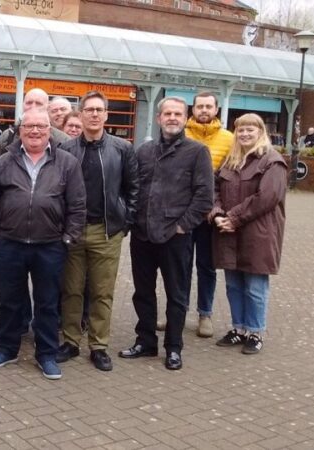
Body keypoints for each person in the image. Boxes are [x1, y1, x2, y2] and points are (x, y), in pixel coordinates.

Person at [0, 108, 86, 380]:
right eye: (29, 126)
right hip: (10, 243)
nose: (35, 131)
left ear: (50, 130)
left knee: (47, 303)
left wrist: (67, 239)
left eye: (41, 126)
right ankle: (7, 348)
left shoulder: (67, 162)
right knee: (10, 301)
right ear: (20, 130)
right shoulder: (5, 161)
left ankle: (46, 354)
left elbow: (77, 206)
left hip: (50, 245)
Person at [119, 97, 213, 371]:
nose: (172, 118)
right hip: (143, 235)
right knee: (143, 292)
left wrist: (183, 226)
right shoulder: (144, 151)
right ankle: (146, 341)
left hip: (176, 237)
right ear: (159, 118)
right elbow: (132, 189)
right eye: (167, 113)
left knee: (177, 295)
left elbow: (204, 197)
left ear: (186, 118)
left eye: (178, 114)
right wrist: (133, 221)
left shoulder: (197, 152)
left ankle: (173, 347)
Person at [58, 91, 139, 372]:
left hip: (107, 232)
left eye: (99, 110)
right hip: (74, 232)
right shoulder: (66, 150)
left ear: (106, 115)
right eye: (88, 109)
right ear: (80, 114)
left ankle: (99, 345)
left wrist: (124, 221)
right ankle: (70, 341)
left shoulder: (122, 148)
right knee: (71, 290)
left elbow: (133, 189)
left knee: (102, 292)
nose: (94, 114)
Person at [211, 113, 287, 355]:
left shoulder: (272, 161)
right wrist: (217, 214)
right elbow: (214, 189)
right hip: (229, 233)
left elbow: (267, 197)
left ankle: (255, 332)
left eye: (250, 130)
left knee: (255, 286)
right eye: (240, 130)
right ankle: (239, 329)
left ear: (260, 132)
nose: (244, 134)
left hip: (258, 234)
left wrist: (233, 218)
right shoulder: (230, 161)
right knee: (233, 285)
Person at [182, 91, 234, 338]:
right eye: (199, 106)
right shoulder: (181, 133)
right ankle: (177, 311)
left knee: (206, 266)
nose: (203, 110)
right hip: (181, 214)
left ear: (216, 109)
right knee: (179, 266)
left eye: (208, 106)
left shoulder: (229, 139)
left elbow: (230, 178)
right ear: (193, 109)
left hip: (209, 216)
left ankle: (205, 314)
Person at [0, 88, 70, 155]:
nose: (33, 107)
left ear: (47, 108)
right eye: (29, 103)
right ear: (23, 105)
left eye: (38, 103)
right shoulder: (7, 137)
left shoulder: (63, 140)